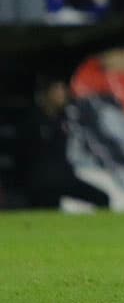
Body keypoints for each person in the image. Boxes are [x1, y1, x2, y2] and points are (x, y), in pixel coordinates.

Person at [21, 79, 110, 210]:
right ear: (46, 94)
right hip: (42, 180)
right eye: (57, 89)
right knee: (47, 211)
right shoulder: (33, 120)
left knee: (102, 198)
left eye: (64, 89)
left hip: (63, 177)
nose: (62, 93)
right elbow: (23, 153)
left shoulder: (66, 118)